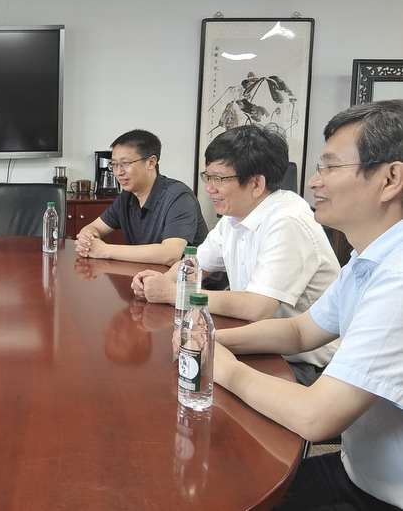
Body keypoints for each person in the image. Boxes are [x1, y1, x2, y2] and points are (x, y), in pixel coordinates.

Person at [214, 100, 403, 510]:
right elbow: (300, 330)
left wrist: (222, 366)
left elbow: (317, 418)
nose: (314, 181)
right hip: (358, 469)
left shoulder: (398, 278)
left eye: (330, 167)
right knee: (231, 483)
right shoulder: (369, 257)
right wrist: (213, 339)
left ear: (390, 179)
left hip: (386, 496)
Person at [132, 124, 340, 386]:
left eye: (219, 179)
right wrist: (161, 281)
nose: (209, 188)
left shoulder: (287, 220)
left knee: (182, 386)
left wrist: (174, 293)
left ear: (256, 183)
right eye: (207, 177)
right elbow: (195, 266)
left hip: (300, 364)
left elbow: (258, 307)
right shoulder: (234, 215)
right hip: (254, 339)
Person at [75, 130, 209, 266]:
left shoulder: (179, 198)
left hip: (192, 278)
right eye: (114, 164)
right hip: (146, 275)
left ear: (151, 162)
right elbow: (93, 227)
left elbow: (170, 254)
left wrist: (104, 250)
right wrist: (86, 239)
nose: (118, 172)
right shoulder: (127, 196)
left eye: (126, 163)